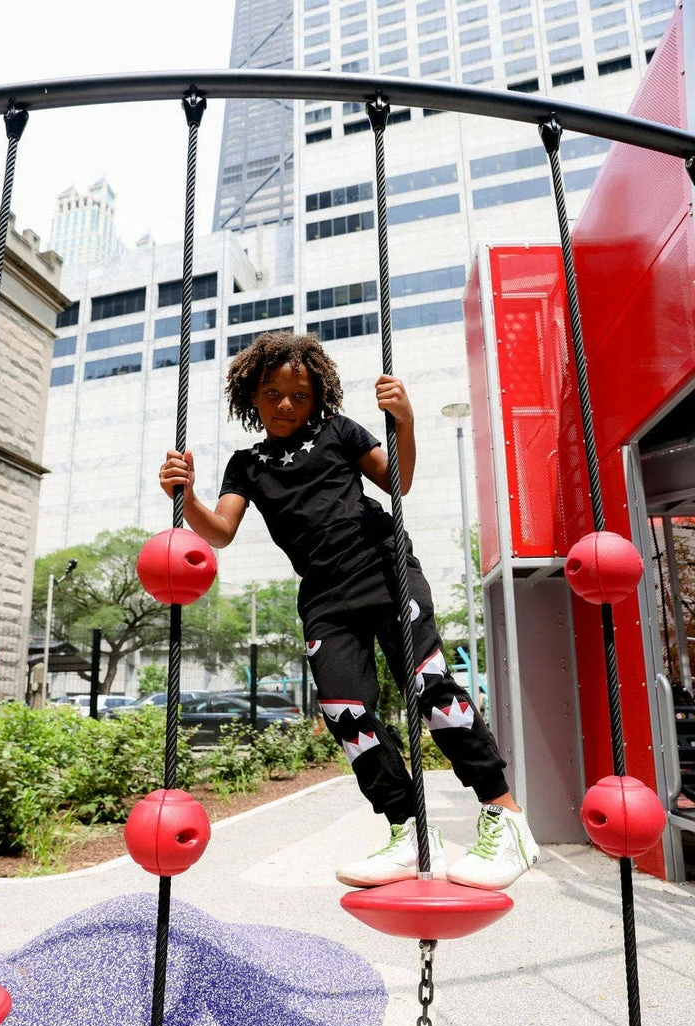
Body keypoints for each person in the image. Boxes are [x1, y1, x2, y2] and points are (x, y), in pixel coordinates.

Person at [159, 331, 539, 890]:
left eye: (300, 395)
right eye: (272, 393)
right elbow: (219, 532)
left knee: (429, 687)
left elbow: (398, 482)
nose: (286, 405)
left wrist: (405, 422)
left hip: (381, 568)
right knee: (345, 712)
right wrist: (187, 496)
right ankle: (409, 830)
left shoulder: (338, 431)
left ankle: (506, 818)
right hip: (322, 595)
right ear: (252, 396)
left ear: (317, 397)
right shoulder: (247, 465)